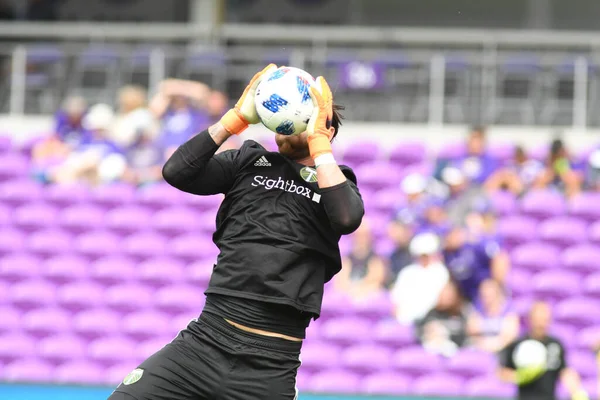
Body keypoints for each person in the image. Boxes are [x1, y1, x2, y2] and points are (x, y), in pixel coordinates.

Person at [108, 64, 364, 400]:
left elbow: (347, 218)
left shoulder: (336, 182)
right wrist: (233, 120)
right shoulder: (249, 161)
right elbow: (177, 172)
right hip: (203, 344)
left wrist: (319, 143)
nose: (284, 130)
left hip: (270, 364)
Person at [498, 302, 589, 400]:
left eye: (545, 320)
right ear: (530, 320)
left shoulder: (555, 344)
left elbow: (565, 372)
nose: (541, 324)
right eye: (538, 320)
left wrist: (576, 391)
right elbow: (503, 373)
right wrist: (521, 376)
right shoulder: (519, 344)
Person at [391, 232, 449, 325]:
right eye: (421, 255)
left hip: (430, 319)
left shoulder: (441, 271)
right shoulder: (407, 272)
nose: (423, 258)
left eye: (426, 255)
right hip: (405, 320)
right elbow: (396, 299)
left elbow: (441, 301)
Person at [443, 224, 510, 302]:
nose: (448, 239)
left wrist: (496, 283)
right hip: (466, 295)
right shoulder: (447, 253)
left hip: (484, 291)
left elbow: (499, 257)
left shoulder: (473, 245)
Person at [416, 281, 472, 357]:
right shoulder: (432, 313)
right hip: (432, 353)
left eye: (449, 294)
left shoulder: (461, 314)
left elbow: (464, 337)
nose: (447, 297)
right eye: (444, 293)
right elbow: (419, 332)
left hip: (454, 354)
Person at [335, 220, 387, 298]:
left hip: (368, 293)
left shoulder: (376, 259)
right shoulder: (347, 258)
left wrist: (361, 290)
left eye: (364, 235)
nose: (361, 239)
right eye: (358, 235)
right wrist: (352, 290)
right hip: (349, 293)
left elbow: (376, 280)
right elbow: (341, 281)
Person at [468, 279, 519, 353]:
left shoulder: (508, 309)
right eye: (484, 295)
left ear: (497, 294)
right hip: (481, 349)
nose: (486, 298)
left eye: (489, 295)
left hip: (503, 351)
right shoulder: (478, 309)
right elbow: (471, 330)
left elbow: (510, 335)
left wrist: (493, 346)